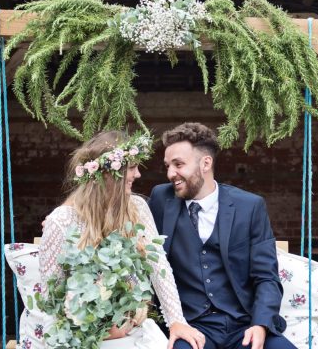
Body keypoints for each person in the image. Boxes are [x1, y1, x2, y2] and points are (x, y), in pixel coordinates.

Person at [40, 130, 206, 349]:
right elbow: (48, 297)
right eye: (132, 167)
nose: (138, 175)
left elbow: (158, 267)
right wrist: (83, 326)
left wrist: (176, 321)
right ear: (110, 173)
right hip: (81, 334)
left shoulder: (137, 208)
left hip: (132, 327)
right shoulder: (61, 221)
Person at [149, 123, 296, 349]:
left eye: (179, 165)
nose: (170, 174)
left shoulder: (249, 206)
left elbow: (266, 277)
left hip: (243, 325)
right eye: (168, 166)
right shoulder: (160, 199)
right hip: (191, 326)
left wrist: (261, 324)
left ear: (206, 163)